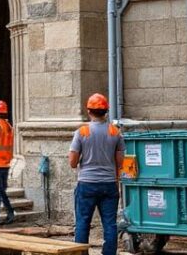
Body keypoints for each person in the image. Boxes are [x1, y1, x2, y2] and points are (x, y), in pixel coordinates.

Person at [69, 93, 124, 255]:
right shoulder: (115, 132)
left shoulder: (82, 132)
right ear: (106, 111)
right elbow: (120, 162)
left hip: (87, 184)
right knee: (110, 224)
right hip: (109, 185)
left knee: (82, 223)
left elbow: (72, 163)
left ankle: (81, 253)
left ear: (89, 111)